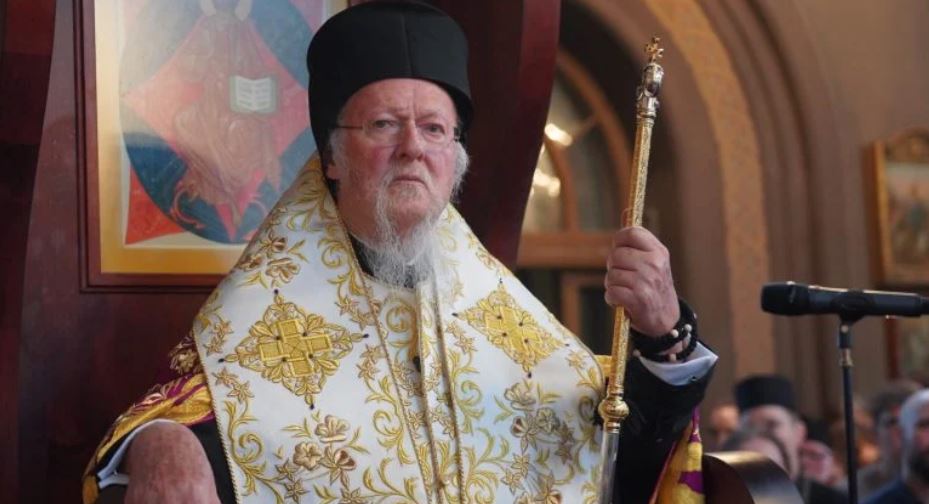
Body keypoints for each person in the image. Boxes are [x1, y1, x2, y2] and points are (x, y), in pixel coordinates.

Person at [81, 3, 717, 503]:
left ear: (455, 162)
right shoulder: (266, 308)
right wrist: (157, 441)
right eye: (384, 125)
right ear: (331, 158)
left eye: (435, 129)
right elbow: (180, 411)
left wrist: (665, 337)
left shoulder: (502, 315)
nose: (414, 147)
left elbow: (614, 455)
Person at [735, 375, 846, 504]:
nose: (761, 436)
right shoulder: (726, 496)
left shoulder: (834, 501)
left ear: (799, 432)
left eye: (772, 425)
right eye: (750, 427)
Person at [854, 380, 923, 499]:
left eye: (914, 423)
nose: (903, 430)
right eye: (894, 422)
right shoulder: (852, 490)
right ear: (874, 433)